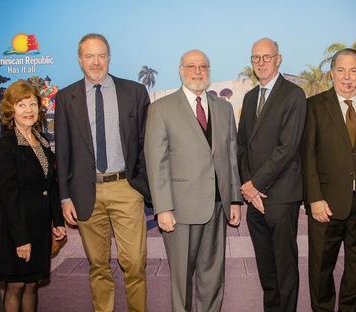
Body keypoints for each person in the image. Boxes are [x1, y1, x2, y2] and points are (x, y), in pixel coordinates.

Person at [54, 33, 151, 312]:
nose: (95, 62)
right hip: (86, 192)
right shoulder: (66, 98)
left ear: (109, 57)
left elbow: (146, 143)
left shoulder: (134, 92)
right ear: (80, 60)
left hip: (125, 188)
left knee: (134, 262)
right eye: (89, 56)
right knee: (98, 265)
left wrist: (144, 184)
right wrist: (64, 197)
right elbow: (62, 151)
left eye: (101, 55)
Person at [145, 49, 242, 312]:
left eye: (203, 66)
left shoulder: (223, 108)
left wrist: (234, 200)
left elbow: (231, 157)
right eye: (191, 66)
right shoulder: (160, 109)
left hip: (218, 207)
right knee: (182, 281)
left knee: (212, 278)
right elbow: (157, 164)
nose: (197, 71)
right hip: (180, 211)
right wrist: (163, 208)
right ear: (180, 70)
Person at [302, 48, 356, 312]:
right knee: (320, 270)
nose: (347, 77)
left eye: (353, 71)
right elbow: (307, 156)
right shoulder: (313, 106)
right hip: (325, 206)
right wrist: (314, 198)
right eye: (341, 70)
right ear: (331, 73)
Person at [237, 37, 306, 311]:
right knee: (267, 269)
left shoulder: (293, 95)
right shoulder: (250, 96)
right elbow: (241, 144)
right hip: (254, 199)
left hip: (280, 195)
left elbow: (287, 148)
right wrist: (247, 185)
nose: (261, 63)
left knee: (285, 268)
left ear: (279, 59)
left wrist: (256, 184)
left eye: (267, 57)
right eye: (256, 58)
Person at [0, 80, 66, 312]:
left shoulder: (42, 142)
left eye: (32, 104)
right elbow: (9, 195)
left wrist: (59, 222)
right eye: (21, 105)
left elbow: (51, 186)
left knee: (32, 285)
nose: (28, 110)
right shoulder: (5, 145)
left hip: (40, 227)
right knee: (16, 286)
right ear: (10, 110)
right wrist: (21, 239)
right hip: (17, 228)